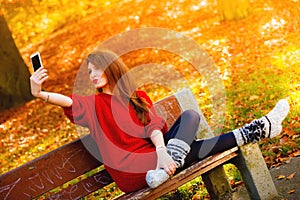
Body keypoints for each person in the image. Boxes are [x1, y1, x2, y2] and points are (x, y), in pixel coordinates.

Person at [30, 50, 290, 193]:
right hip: (135, 172)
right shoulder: (93, 106)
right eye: (89, 73)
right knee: (195, 147)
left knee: (190, 116)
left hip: (158, 163)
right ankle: (260, 127)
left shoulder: (137, 97)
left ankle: (261, 128)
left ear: (111, 67)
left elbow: (154, 127)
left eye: (96, 69)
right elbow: (67, 102)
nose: (92, 75)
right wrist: (40, 93)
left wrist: (164, 155)